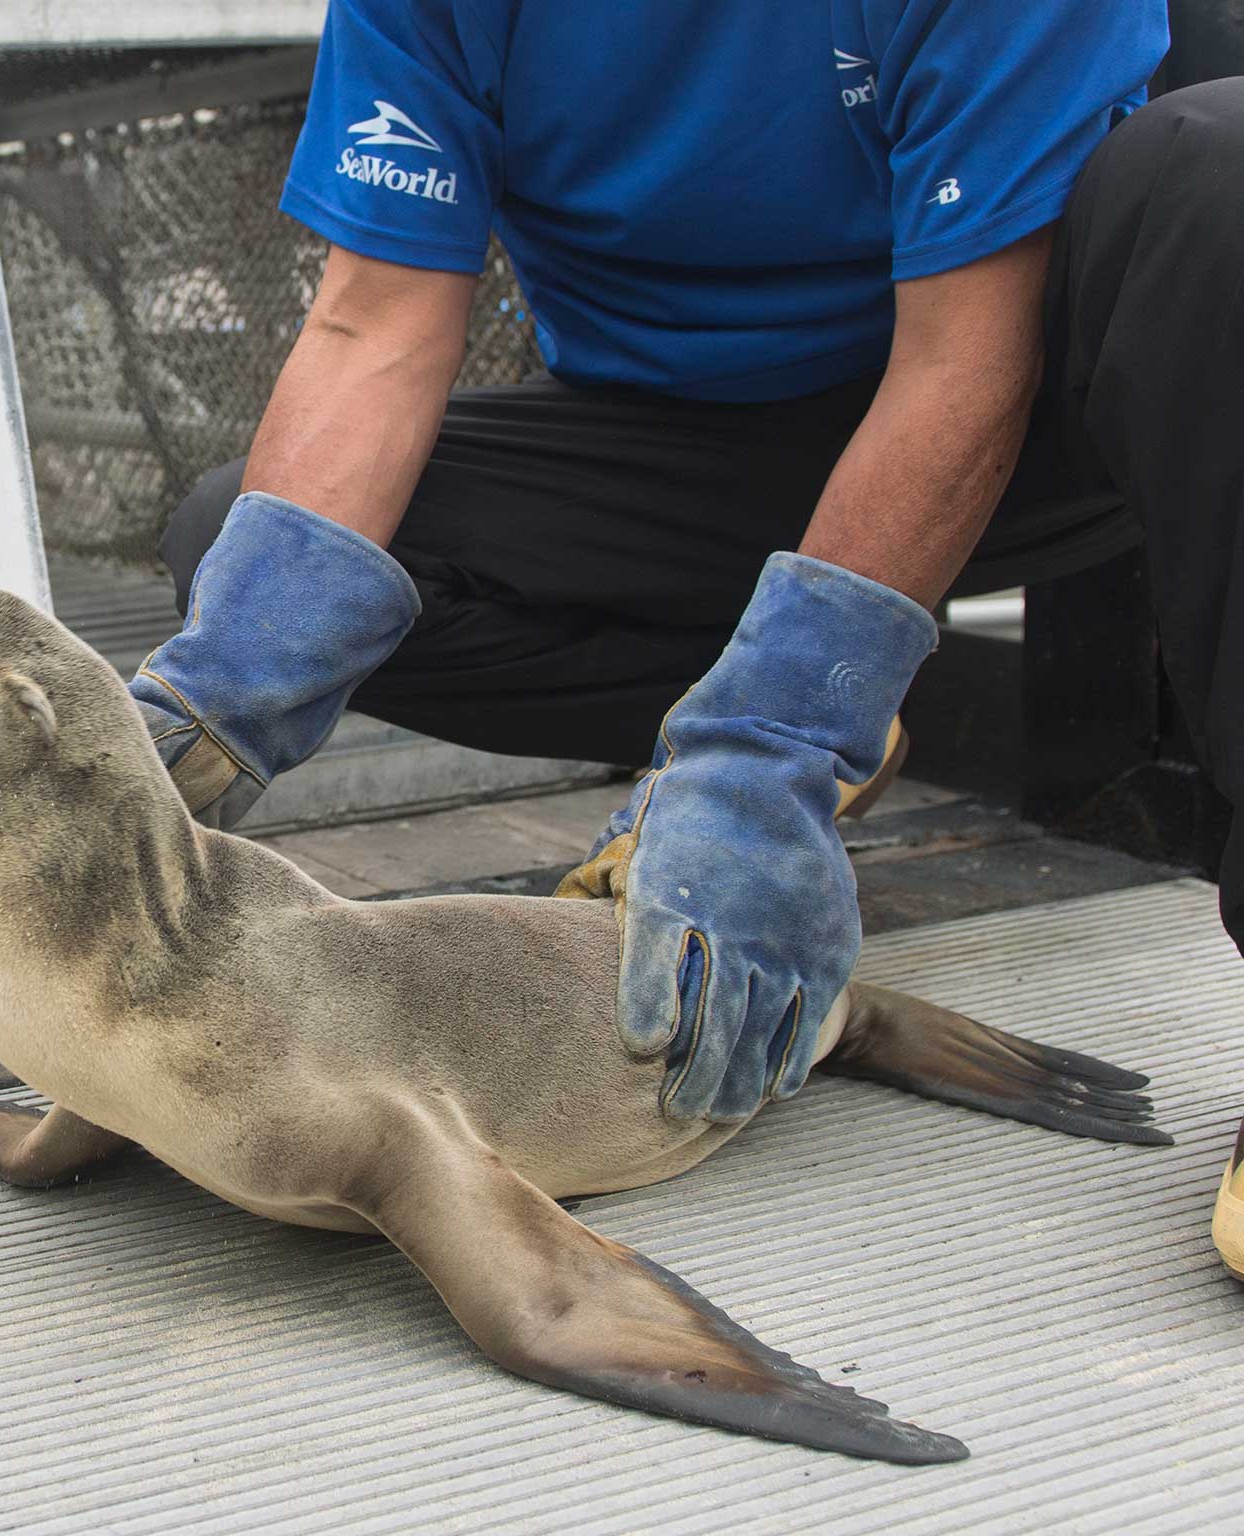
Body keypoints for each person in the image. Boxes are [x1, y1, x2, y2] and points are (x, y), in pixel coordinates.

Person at [128, 1, 1244, 1278]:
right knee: (244, 542)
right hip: (677, 443)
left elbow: (963, 355)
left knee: (1223, 169)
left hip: (1029, 410)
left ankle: (788, 730)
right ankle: (780, 737)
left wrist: (781, 727)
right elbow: (370, 322)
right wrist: (224, 680)